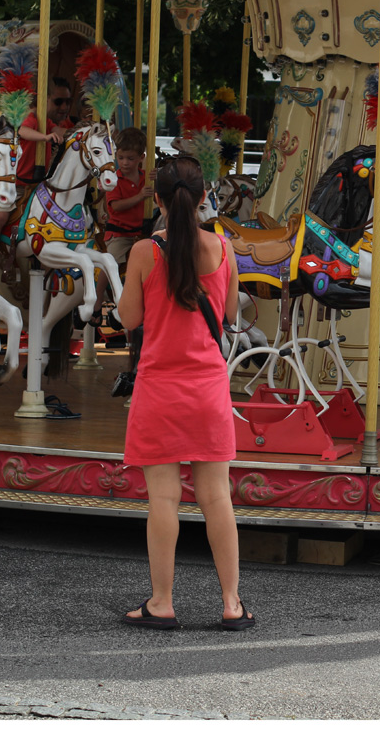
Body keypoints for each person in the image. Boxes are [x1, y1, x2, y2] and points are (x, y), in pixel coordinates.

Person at [117, 155, 252, 631]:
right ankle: (232, 603)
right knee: (217, 497)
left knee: (164, 500)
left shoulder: (143, 253)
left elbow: (129, 320)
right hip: (208, 389)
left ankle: (162, 601)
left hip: (160, 390)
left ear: (156, 199)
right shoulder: (223, 248)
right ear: (201, 199)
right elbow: (231, 313)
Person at [0, 77, 73, 248]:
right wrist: (44, 137)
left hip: (35, 187)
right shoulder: (31, 118)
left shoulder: (45, 121)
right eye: (57, 101)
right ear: (44, 99)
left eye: (67, 102)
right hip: (16, 184)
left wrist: (83, 133)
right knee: (1, 216)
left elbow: (59, 130)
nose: (63, 107)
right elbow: (22, 131)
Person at [92, 126, 150, 323]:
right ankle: (97, 298)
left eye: (131, 158)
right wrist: (140, 196)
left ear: (142, 157)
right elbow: (115, 207)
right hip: (120, 234)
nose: (125, 163)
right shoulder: (114, 179)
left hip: (142, 233)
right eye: (121, 157)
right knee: (111, 262)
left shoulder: (146, 178)